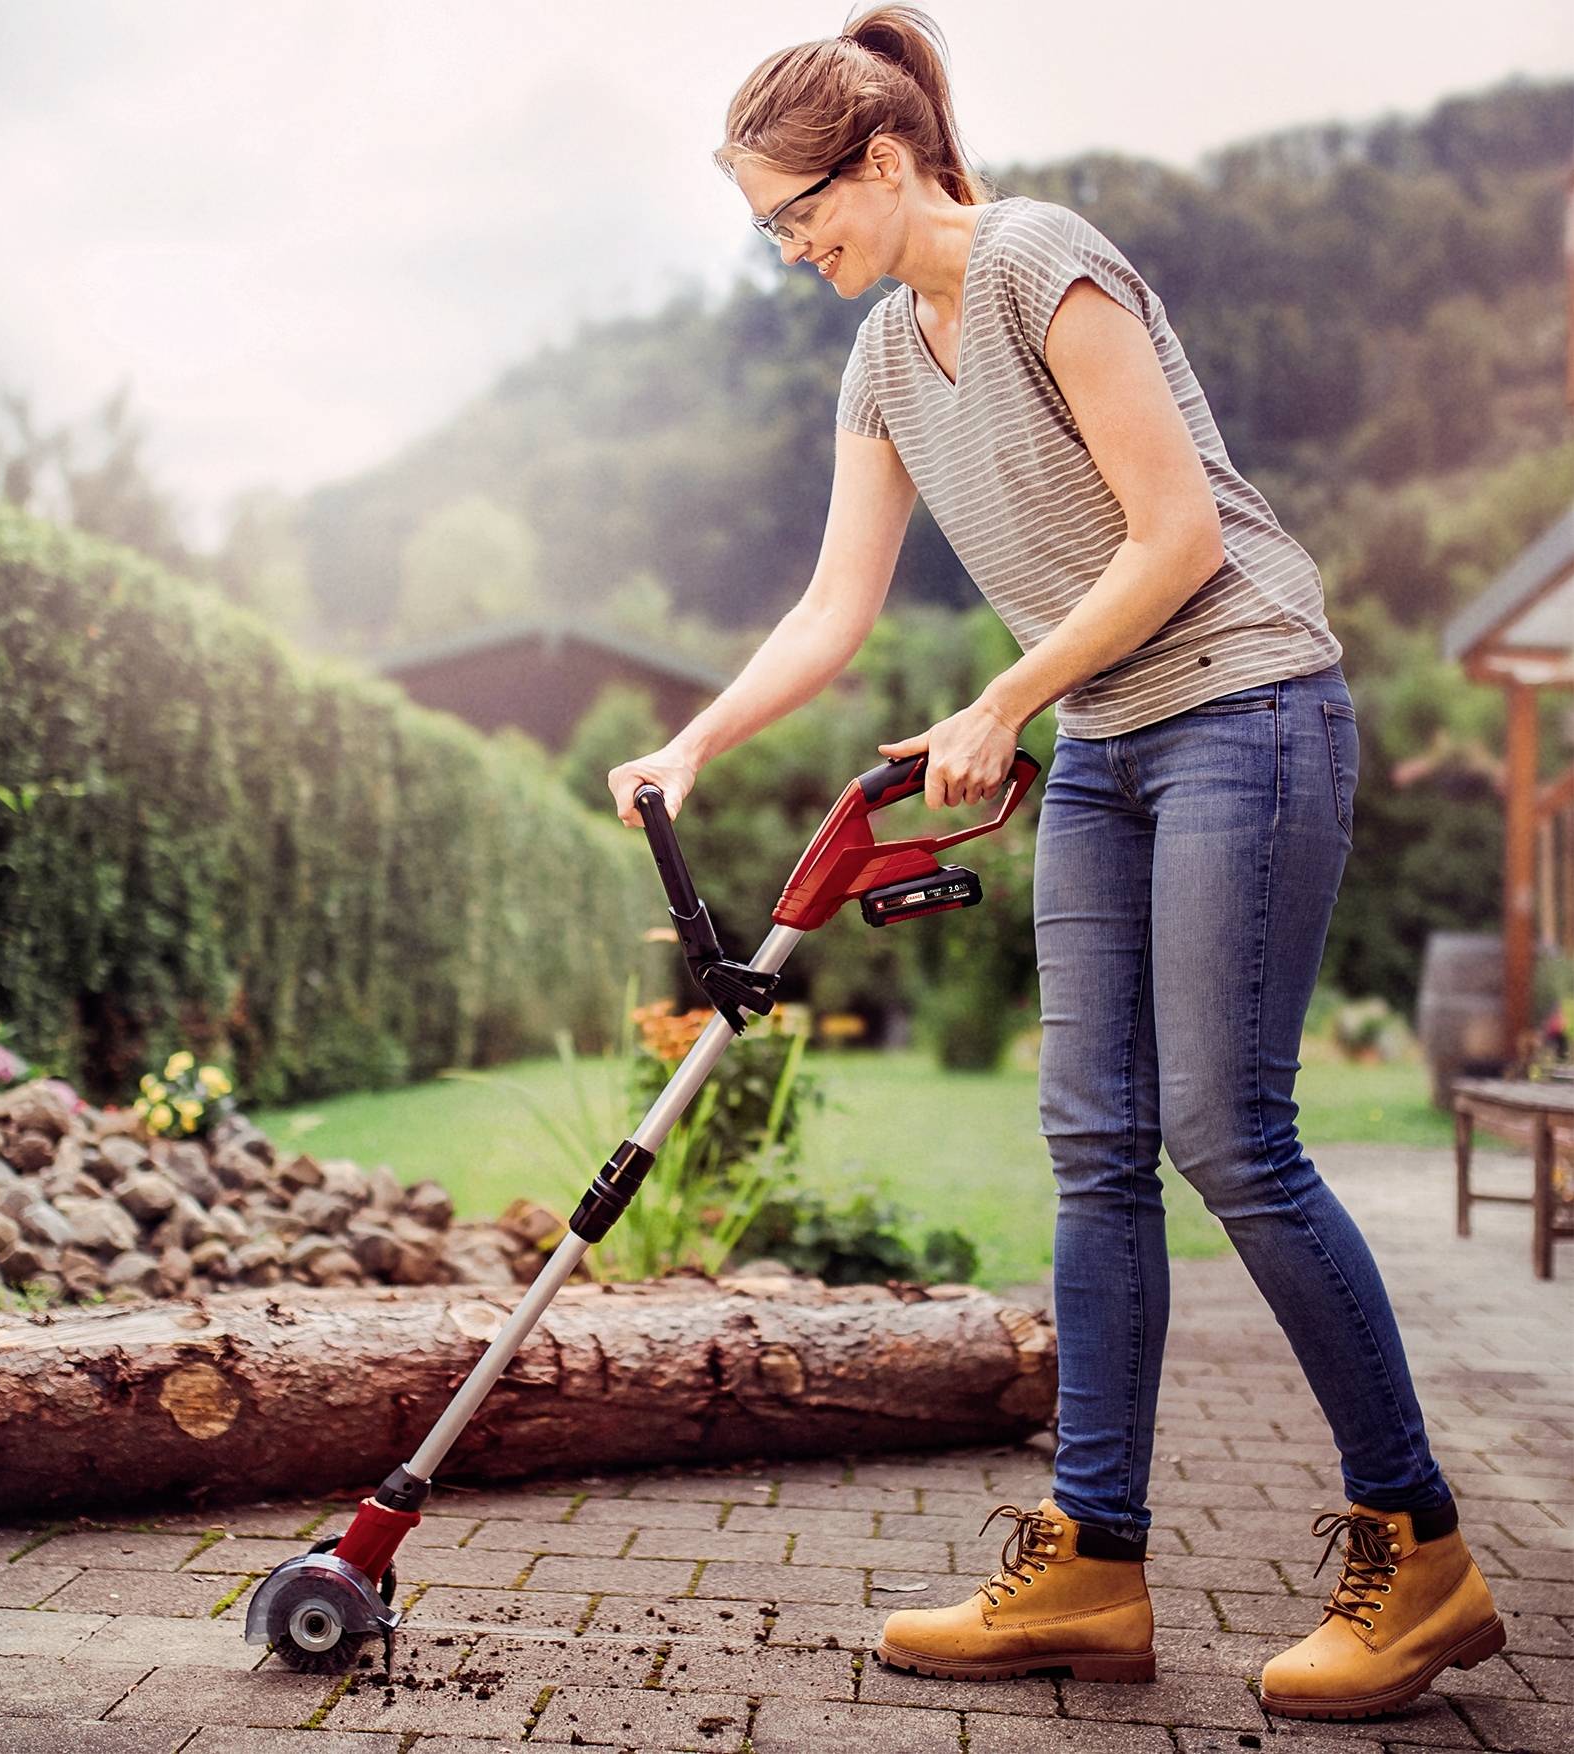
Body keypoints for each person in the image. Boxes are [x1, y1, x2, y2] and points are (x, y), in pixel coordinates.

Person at [606, 3, 1509, 1722]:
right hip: (1100, 750)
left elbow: (1175, 534)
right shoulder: (882, 358)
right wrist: (699, 740)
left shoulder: (1042, 261)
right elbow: (833, 603)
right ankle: (1094, 1562)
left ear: (884, 160)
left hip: (1247, 703)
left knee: (1227, 1136)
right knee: (1092, 1143)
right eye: (768, 230)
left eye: (802, 212)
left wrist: (1005, 692)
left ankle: (1422, 1550)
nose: (793, 250)